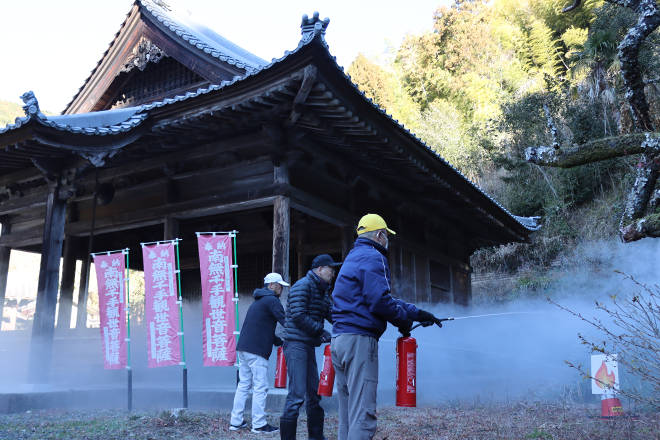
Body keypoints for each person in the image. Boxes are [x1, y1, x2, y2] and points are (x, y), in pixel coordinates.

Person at [331, 214, 443, 440]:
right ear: (380, 235)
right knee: (362, 413)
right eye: (387, 236)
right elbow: (380, 301)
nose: (387, 241)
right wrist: (404, 323)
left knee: (348, 414)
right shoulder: (374, 257)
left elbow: (375, 298)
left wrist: (417, 313)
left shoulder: (353, 257)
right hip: (359, 342)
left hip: (339, 340)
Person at [280, 254, 342, 440]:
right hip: (296, 344)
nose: (333, 274)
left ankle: (316, 437)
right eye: (331, 270)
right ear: (320, 269)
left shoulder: (322, 292)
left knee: (314, 395)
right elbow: (298, 315)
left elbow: (335, 315)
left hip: (307, 345)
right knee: (296, 395)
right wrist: (321, 332)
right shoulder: (303, 285)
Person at [229, 272, 289, 434]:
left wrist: (280, 342)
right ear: (271, 285)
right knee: (260, 387)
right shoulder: (272, 300)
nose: (281, 289)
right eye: (279, 285)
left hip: (244, 348)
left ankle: (236, 421)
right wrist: (299, 335)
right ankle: (259, 424)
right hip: (257, 351)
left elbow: (263, 329)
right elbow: (286, 322)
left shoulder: (258, 301)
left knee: (244, 385)